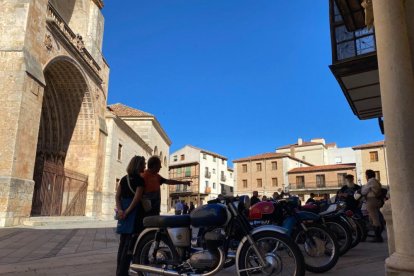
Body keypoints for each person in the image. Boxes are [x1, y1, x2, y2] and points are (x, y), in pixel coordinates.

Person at [115, 156, 146, 276]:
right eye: (143, 164)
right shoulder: (140, 180)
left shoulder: (123, 179)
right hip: (135, 216)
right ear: (138, 165)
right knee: (130, 246)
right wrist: (127, 212)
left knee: (122, 244)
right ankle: (122, 273)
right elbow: (137, 199)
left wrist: (120, 211)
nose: (145, 166)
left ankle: (119, 271)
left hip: (123, 215)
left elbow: (117, 196)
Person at [361, 169, 383, 242]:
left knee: (374, 218)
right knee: (374, 217)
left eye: (366, 175)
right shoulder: (376, 181)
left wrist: (362, 189)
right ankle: (378, 235)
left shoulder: (370, 181)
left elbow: (364, 191)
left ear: (367, 175)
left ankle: (378, 237)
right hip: (378, 200)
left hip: (371, 200)